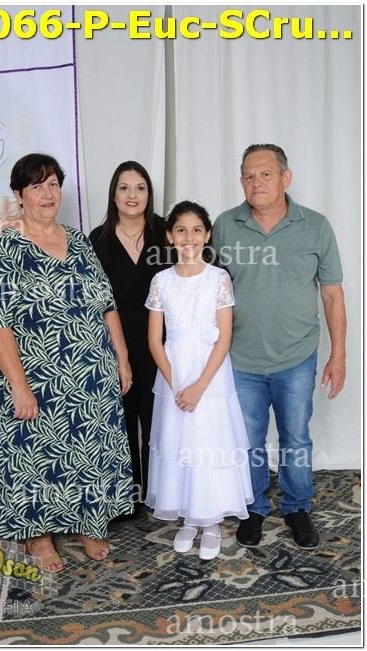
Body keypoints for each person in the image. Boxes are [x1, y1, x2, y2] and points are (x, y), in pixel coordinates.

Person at [0, 153, 134, 572]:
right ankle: (39, 536)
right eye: (36, 186)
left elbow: (106, 304)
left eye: (53, 185)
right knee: (34, 456)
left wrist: (122, 358)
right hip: (36, 378)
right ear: (18, 195)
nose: (47, 194)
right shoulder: (4, 250)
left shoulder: (79, 242)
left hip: (91, 374)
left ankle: (87, 522)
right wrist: (19, 386)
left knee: (88, 451)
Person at [212, 144, 346, 550]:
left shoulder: (316, 226)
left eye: (266, 174)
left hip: (297, 356)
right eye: (249, 176)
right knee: (247, 440)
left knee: (296, 438)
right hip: (241, 357)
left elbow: (332, 295)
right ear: (241, 181)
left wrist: (338, 354)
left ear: (286, 178)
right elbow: (207, 288)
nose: (257, 182)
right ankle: (253, 507)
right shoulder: (225, 225)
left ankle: (297, 507)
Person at [144, 200, 254, 560]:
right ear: (169, 236)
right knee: (178, 444)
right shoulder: (161, 281)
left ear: (207, 235)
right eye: (181, 230)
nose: (188, 237)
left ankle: (211, 522)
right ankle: (189, 518)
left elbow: (224, 337)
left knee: (208, 443)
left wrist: (199, 386)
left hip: (210, 376)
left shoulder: (218, 279)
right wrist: (177, 385)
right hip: (174, 375)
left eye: (196, 230)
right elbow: (154, 340)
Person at [89, 161, 167, 506]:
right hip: (113, 348)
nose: (132, 195)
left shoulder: (166, 232)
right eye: (124, 187)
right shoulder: (97, 240)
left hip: (161, 346)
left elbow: (203, 271)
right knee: (120, 425)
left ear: (149, 194)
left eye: (140, 187)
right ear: (113, 195)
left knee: (157, 424)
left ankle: (158, 494)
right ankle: (126, 499)